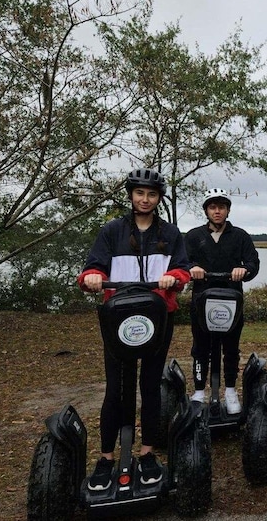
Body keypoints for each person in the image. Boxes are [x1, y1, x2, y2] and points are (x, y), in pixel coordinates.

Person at [77, 168, 191, 491]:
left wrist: (175, 279)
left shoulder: (170, 234)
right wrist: (92, 278)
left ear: (158, 199)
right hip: (119, 319)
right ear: (130, 195)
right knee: (117, 388)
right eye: (139, 193)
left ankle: (147, 453)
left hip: (157, 318)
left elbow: (183, 269)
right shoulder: (112, 231)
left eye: (151, 194)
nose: (145, 199)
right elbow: (91, 269)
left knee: (151, 385)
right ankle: (107, 457)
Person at [185, 188, 260, 414]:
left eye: (221, 207)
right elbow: (181, 262)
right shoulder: (193, 236)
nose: (217, 212)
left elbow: (253, 263)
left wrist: (243, 270)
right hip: (201, 299)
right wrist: (192, 268)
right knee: (200, 347)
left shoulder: (240, 236)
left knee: (230, 347)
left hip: (231, 301)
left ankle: (229, 390)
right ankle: (199, 391)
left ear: (228, 210)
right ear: (207, 210)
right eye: (213, 207)